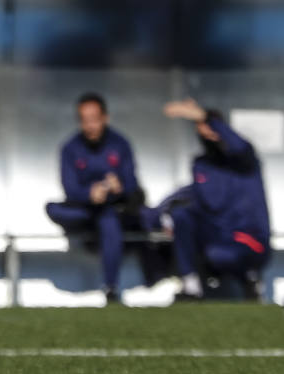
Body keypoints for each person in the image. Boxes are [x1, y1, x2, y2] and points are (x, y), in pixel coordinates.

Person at [162, 99, 271, 301]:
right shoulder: (201, 165)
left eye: (211, 127)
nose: (207, 133)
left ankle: (250, 278)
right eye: (201, 128)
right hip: (218, 236)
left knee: (220, 254)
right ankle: (190, 287)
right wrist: (164, 216)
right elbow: (198, 199)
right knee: (181, 216)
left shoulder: (245, 161)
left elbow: (239, 146)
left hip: (249, 239)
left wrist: (205, 116)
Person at [44, 93, 144, 304]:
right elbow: (70, 188)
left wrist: (118, 188)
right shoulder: (70, 147)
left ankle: (111, 288)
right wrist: (89, 194)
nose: (90, 126)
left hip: (112, 210)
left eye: (94, 119)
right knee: (52, 208)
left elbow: (132, 183)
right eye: (84, 120)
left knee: (109, 222)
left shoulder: (120, 143)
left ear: (105, 118)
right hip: (84, 210)